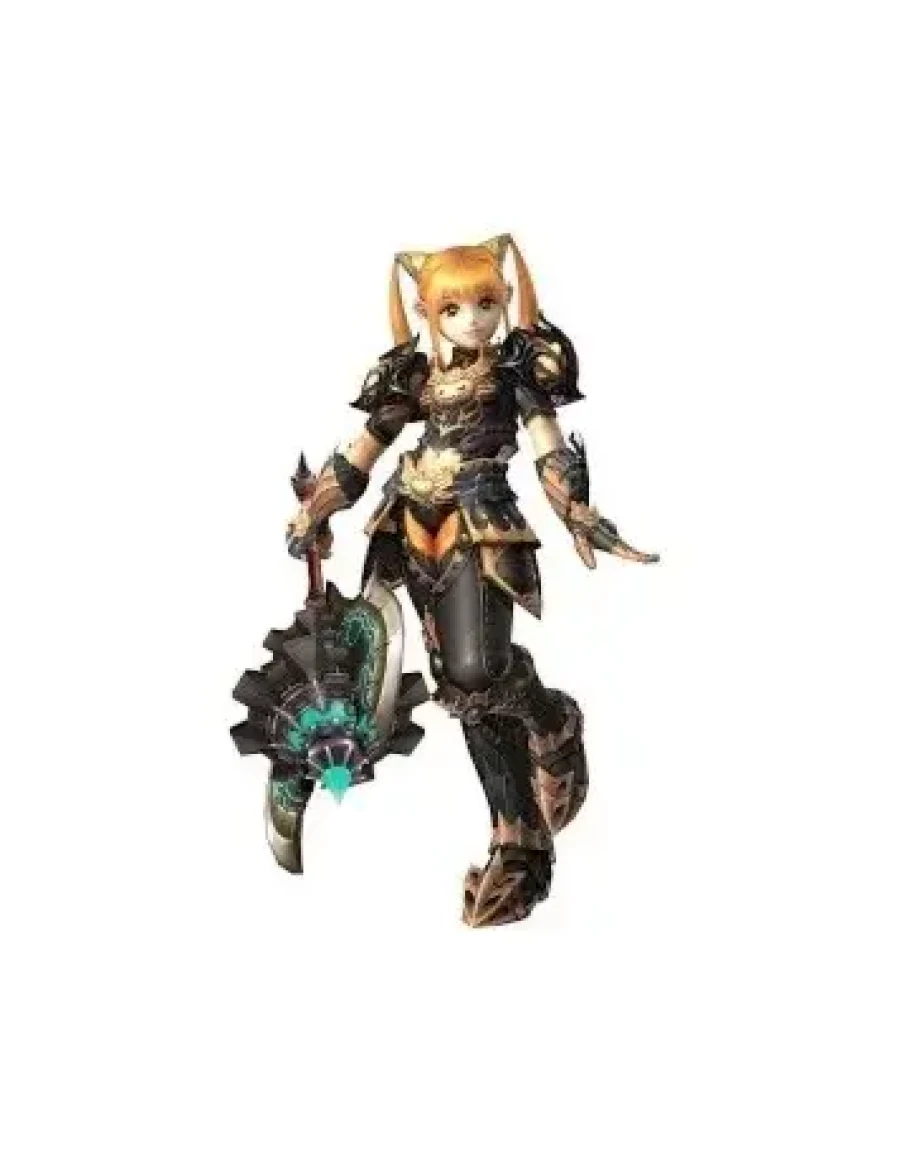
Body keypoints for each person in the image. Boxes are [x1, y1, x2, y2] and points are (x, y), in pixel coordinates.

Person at [286, 234, 657, 927]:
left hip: (481, 524)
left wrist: (577, 512)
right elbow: (364, 450)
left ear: (505, 300)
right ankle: (515, 839)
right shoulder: (414, 377)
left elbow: (547, 443)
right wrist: (316, 511)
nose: (472, 320)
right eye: (453, 308)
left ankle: (550, 717)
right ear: (428, 312)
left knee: (478, 671)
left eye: (486, 304)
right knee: (463, 693)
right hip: (411, 526)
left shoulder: (516, 366)